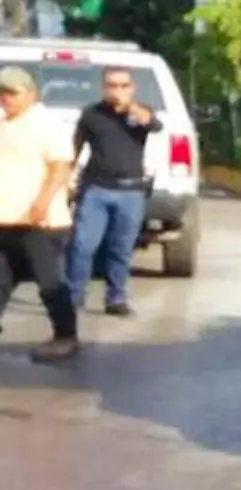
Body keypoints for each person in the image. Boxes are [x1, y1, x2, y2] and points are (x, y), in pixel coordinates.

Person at [67, 66, 162, 316]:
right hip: (96, 189)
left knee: (120, 248)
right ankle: (74, 297)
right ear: (103, 88)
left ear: (131, 88)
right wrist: (66, 180)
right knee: (82, 245)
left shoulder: (139, 113)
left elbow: (154, 125)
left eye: (123, 85)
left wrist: (128, 106)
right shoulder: (91, 114)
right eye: (112, 85)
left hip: (130, 191)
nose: (117, 90)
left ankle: (116, 298)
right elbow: (74, 149)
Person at [0, 66, 80, 361]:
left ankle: (65, 336)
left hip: (40, 222)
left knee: (49, 282)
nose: (5, 98)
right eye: (2, 92)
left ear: (31, 94)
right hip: (7, 220)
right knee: (1, 279)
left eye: (12, 92)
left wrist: (42, 203)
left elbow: (61, 167)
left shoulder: (46, 123)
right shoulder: (4, 123)